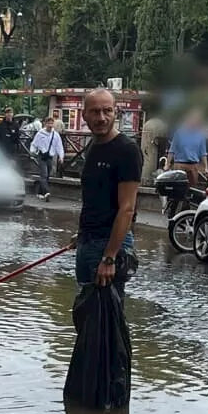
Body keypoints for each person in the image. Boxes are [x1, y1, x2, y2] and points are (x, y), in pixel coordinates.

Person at [73, 89, 141, 292]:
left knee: (106, 316)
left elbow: (127, 208)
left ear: (115, 113)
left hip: (109, 246)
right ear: (84, 115)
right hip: (88, 241)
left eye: (107, 111)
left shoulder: (126, 150)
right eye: (94, 112)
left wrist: (110, 257)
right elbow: (95, 199)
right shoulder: (94, 147)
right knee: (87, 314)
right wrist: (83, 233)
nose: (101, 118)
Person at [164, 110, 208, 188]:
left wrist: (206, 167)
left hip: (194, 165)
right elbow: (172, 150)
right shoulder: (179, 133)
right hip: (180, 164)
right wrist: (167, 164)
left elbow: (203, 153)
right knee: (178, 187)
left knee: (192, 188)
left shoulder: (201, 135)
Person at [30, 116, 64, 201]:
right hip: (42, 156)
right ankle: (46, 192)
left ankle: (40, 192)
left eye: (52, 123)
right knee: (44, 174)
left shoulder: (55, 135)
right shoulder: (40, 133)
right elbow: (34, 143)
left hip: (50, 157)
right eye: (48, 123)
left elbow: (59, 146)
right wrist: (32, 152)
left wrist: (61, 156)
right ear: (45, 124)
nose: (50, 125)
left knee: (47, 175)